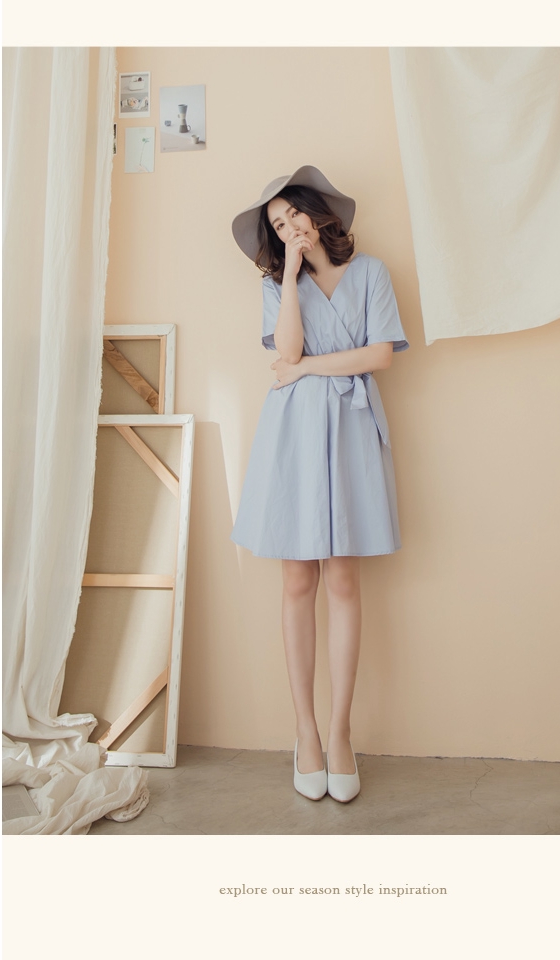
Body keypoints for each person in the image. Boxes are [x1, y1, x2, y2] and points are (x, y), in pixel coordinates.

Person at [230, 165, 409, 802]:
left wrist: (306, 370)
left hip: (352, 427)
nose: (289, 229)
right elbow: (285, 350)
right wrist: (287, 277)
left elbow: (380, 355)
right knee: (297, 581)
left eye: (293, 215)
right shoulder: (276, 285)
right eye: (277, 227)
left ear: (316, 210)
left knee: (343, 580)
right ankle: (304, 731)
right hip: (296, 436)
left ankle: (340, 732)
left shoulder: (372, 273)